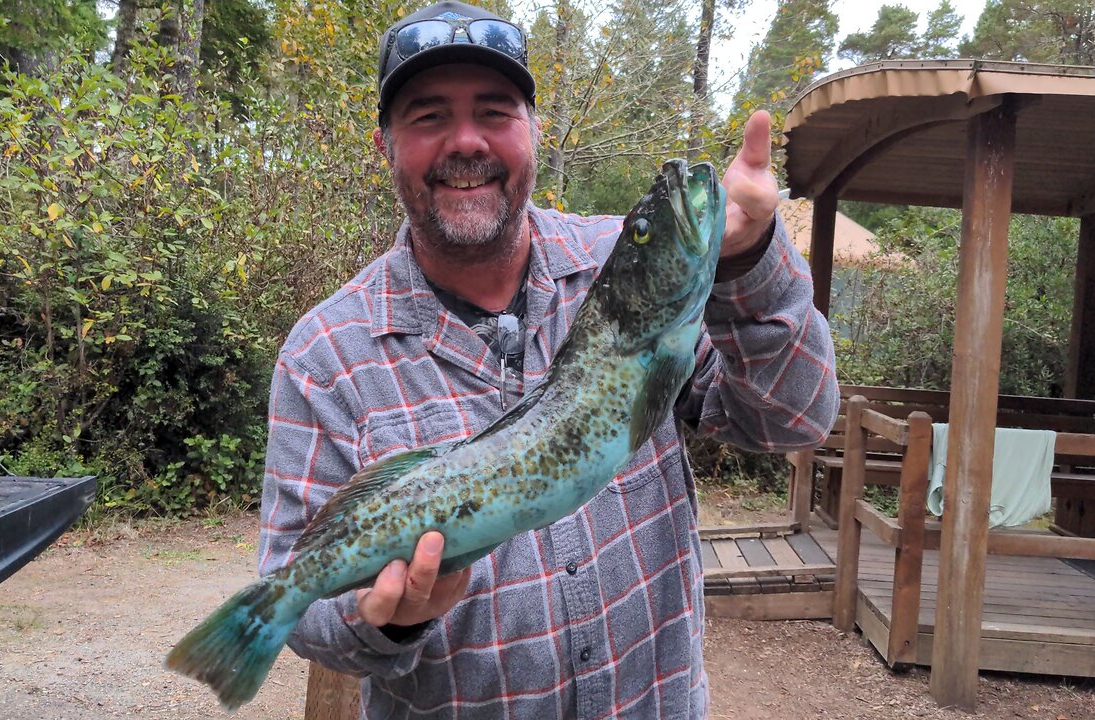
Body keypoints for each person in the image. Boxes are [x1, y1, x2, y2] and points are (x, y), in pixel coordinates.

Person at [257, 2, 839, 717]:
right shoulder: (323, 356)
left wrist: (749, 260)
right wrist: (389, 619)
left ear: (534, 130)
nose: (465, 142)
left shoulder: (615, 267)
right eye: (429, 115)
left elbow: (793, 420)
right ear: (385, 144)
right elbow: (300, 606)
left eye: (495, 112)